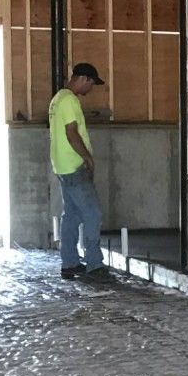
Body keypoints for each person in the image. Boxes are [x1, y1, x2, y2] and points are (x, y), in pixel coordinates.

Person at [49, 62, 110, 280]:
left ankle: (70, 263)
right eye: (91, 83)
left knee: (72, 216)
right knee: (92, 214)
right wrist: (87, 157)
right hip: (74, 167)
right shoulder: (70, 101)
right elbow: (72, 133)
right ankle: (94, 264)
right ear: (83, 79)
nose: (90, 89)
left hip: (61, 166)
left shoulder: (57, 99)